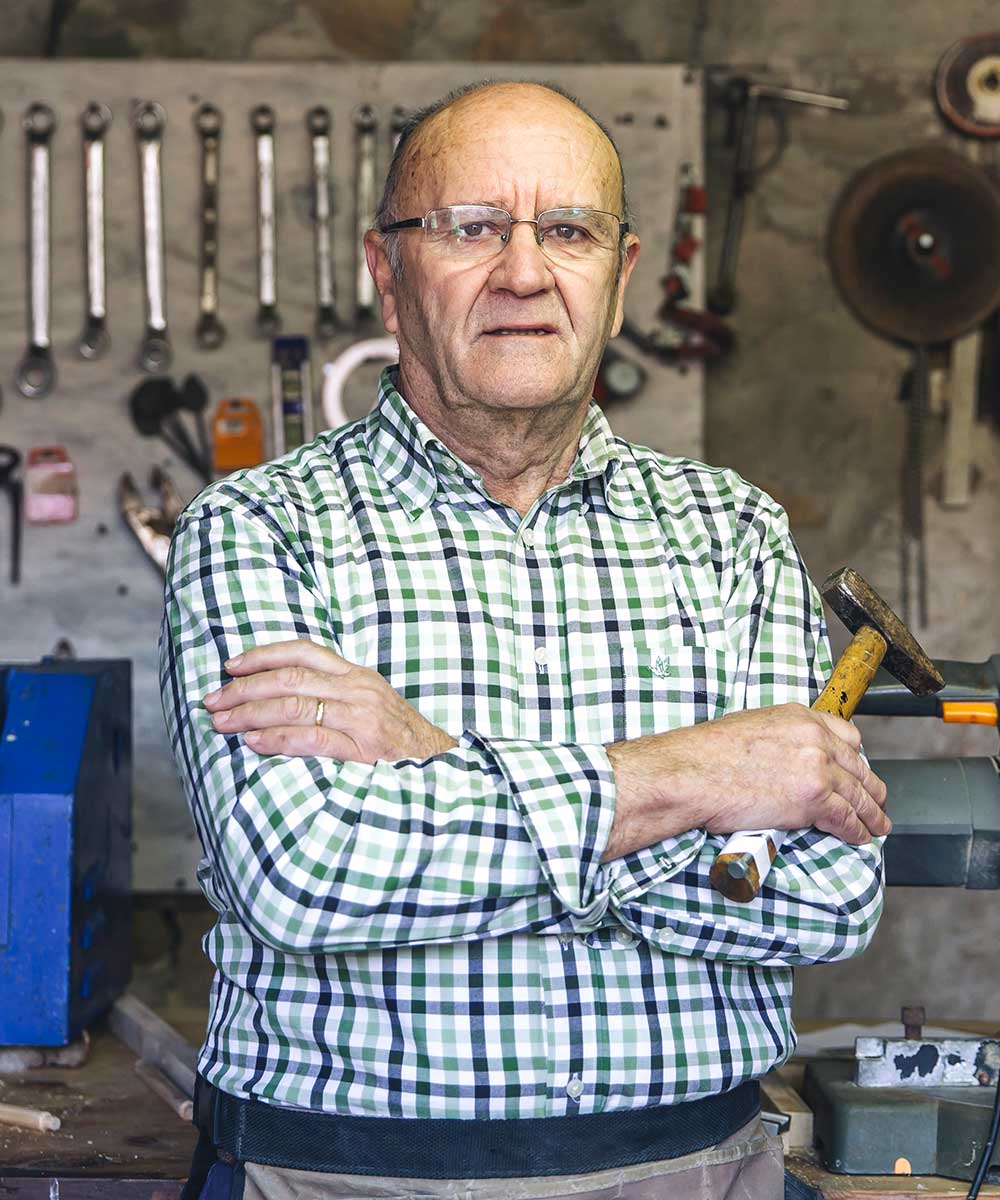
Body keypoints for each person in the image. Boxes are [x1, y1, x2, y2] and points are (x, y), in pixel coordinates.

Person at [161, 79, 889, 1200]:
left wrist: (428, 762)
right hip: (340, 1179)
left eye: (566, 230)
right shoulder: (258, 528)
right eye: (468, 228)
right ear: (388, 274)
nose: (522, 272)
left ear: (619, 274)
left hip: (698, 1170)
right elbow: (302, 874)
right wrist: (693, 779)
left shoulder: (732, 532)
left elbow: (825, 895)